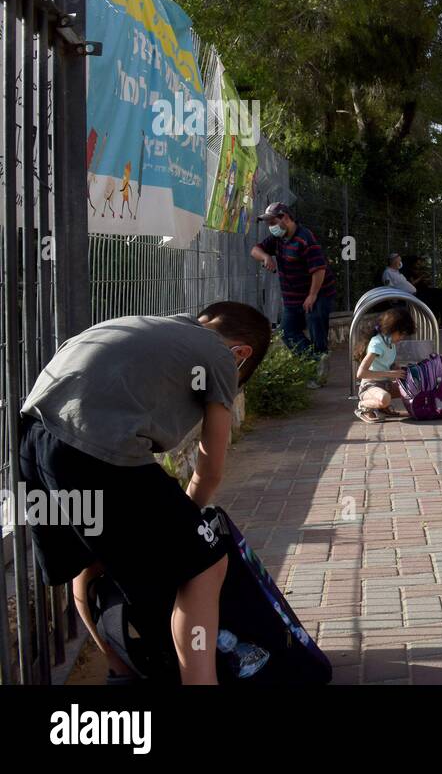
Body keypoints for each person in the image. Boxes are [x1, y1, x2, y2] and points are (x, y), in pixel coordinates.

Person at [17, 302, 272, 684]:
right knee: (206, 563)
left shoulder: (150, 325)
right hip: (96, 450)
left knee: (89, 562)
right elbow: (211, 467)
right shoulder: (220, 355)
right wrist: (188, 531)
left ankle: (121, 673)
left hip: (32, 443)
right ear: (241, 354)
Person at [250, 202, 338, 381]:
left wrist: (312, 295)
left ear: (285, 218)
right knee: (287, 332)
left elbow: (319, 269)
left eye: (272, 222)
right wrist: (266, 256)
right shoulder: (277, 239)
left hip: (318, 292)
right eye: (268, 223)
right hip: (292, 297)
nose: (270, 227)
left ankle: (319, 372)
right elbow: (255, 250)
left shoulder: (305, 239)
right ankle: (316, 361)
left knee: (316, 326)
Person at [354, 307, 416, 423]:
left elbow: (387, 362)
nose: (402, 338)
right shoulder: (377, 344)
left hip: (385, 385)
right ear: (392, 329)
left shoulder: (390, 342)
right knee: (384, 398)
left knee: (414, 388)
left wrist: (398, 369)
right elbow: (361, 373)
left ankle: (382, 408)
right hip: (370, 386)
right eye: (401, 334)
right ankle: (363, 406)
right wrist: (390, 373)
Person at [409, 257, 442, 327]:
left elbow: (426, 282)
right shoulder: (410, 272)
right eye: (417, 264)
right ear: (414, 264)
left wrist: (427, 280)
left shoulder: (420, 271)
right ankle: (438, 321)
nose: (419, 265)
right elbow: (412, 284)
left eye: (419, 263)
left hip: (427, 289)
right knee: (438, 298)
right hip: (419, 291)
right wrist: (421, 278)